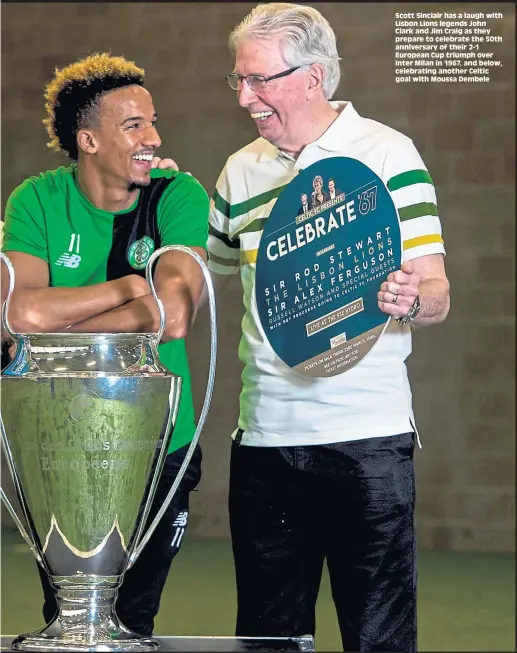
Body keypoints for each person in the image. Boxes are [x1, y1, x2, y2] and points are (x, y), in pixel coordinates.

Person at [208, 3, 450, 651]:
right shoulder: (239, 171)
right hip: (263, 445)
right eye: (237, 79)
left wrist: (410, 295)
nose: (244, 97)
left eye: (259, 79)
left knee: (377, 639)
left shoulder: (387, 154)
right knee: (268, 639)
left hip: (365, 444)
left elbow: (436, 293)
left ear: (313, 76)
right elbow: (207, 273)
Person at [1, 52, 209, 637]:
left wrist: (57, 326)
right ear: (87, 140)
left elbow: (171, 316)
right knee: (66, 620)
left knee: (132, 622)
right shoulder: (36, 199)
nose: (154, 137)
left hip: (162, 441)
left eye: (152, 122)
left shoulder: (176, 195)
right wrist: (126, 286)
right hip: (56, 437)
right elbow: (15, 314)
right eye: (134, 125)